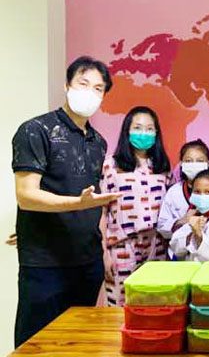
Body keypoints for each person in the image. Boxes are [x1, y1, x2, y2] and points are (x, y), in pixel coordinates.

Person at [12, 56, 119, 346]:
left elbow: (93, 201)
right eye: (83, 84)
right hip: (45, 263)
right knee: (37, 344)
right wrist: (74, 205)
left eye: (98, 88)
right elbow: (26, 196)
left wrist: (102, 250)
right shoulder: (35, 130)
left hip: (87, 261)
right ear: (67, 85)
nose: (90, 93)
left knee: (78, 342)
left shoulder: (98, 142)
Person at [100, 106, 172, 306]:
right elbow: (101, 211)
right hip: (122, 246)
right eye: (138, 128)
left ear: (156, 133)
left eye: (149, 129)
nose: (144, 133)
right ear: (127, 131)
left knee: (154, 303)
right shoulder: (110, 166)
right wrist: (104, 253)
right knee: (121, 305)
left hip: (156, 246)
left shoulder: (162, 167)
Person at [157, 138, 209, 258]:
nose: (194, 165)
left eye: (199, 161)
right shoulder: (174, 192)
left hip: (207, 255)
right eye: (189, 161)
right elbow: (161, 227)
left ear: (208, 163)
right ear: (181, 163)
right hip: (179, 255)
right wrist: (183, 221)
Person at [169, 169, 209, 261]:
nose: (202, 196)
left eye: (208, 192)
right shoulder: (193, 217)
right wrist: (191, 235)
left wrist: (198, 234)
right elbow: (175, 246)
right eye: (197, 192)